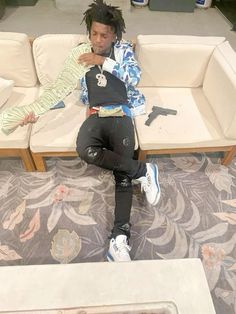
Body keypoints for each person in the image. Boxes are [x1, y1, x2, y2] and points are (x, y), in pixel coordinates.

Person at [21, 0, 161, 262]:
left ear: (114, 35)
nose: (98, 40)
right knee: (85, 149)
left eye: (104, 35)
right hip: (96, 114)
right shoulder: (80, 53)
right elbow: (60, 86)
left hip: (120, 114)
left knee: (122, 176)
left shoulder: (122, 51)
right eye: (94, 34)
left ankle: (119, 239)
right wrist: (36, 111)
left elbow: (134, 78)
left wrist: (102, 61)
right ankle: (143, 170)